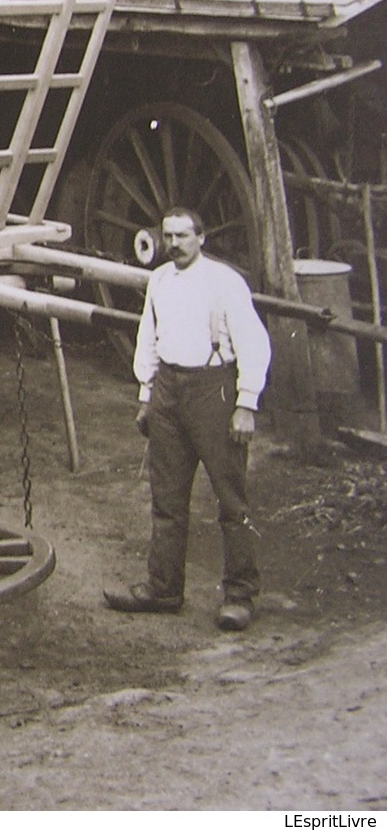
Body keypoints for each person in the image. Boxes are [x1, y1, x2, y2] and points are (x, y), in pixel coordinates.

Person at [104, 207, 272, 632]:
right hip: (168, 391)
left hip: (213, 389)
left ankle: (240, 596)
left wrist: (246, 403)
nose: (174, 244)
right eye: (169, 236)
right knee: (167, 498)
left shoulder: (225, 282)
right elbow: (148, 339)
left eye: (183, 236)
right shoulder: (159, 280)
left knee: (231, 501)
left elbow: (255, 342)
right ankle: (163, 588)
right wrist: (146, 396)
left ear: (202, 237)